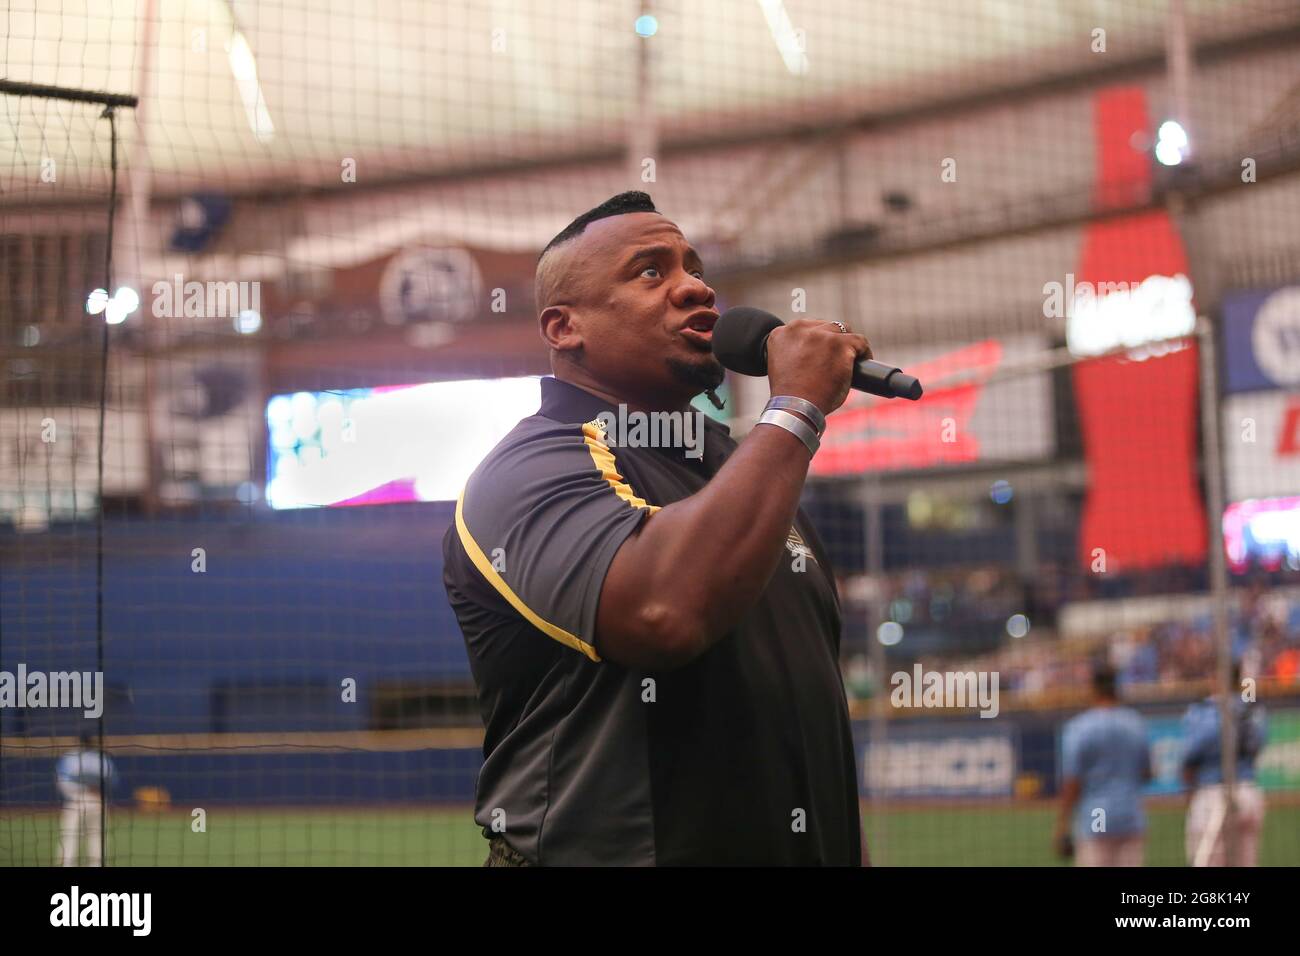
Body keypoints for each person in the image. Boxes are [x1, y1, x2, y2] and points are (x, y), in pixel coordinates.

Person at [442, 191, 872, 865]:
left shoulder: (747, 472)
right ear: (565, 328)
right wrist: (793, 410)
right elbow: (661, 611)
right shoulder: (529, 466)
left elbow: (813, 729)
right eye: (652, 272)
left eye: (693, 268)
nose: (696, 288)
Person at [1055, 663, 1151, 866]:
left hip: (1098, 817)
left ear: (1093, 688)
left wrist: (1062, 826)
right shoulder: (1135, 723)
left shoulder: (1079, 728)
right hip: (1130, 816)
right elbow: (1147, 773)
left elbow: (1072, 782)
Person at [1181, 662, 1268, 866]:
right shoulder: (1252, 709)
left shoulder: (1204, 710)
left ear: (1217, 678)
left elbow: (1192, 752)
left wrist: (1187, 780)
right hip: (1248, 792)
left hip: (1213, 793)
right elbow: (1259, 741)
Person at [55, 730, 115, 867]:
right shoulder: (101, 758)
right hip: (97, 801)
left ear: (79, 742)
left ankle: (67, 865)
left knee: (70, 836)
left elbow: (61, 781)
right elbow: (113, 780)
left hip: (76, 801)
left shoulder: (70, 757)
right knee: (98, 838)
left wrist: (78, 791)